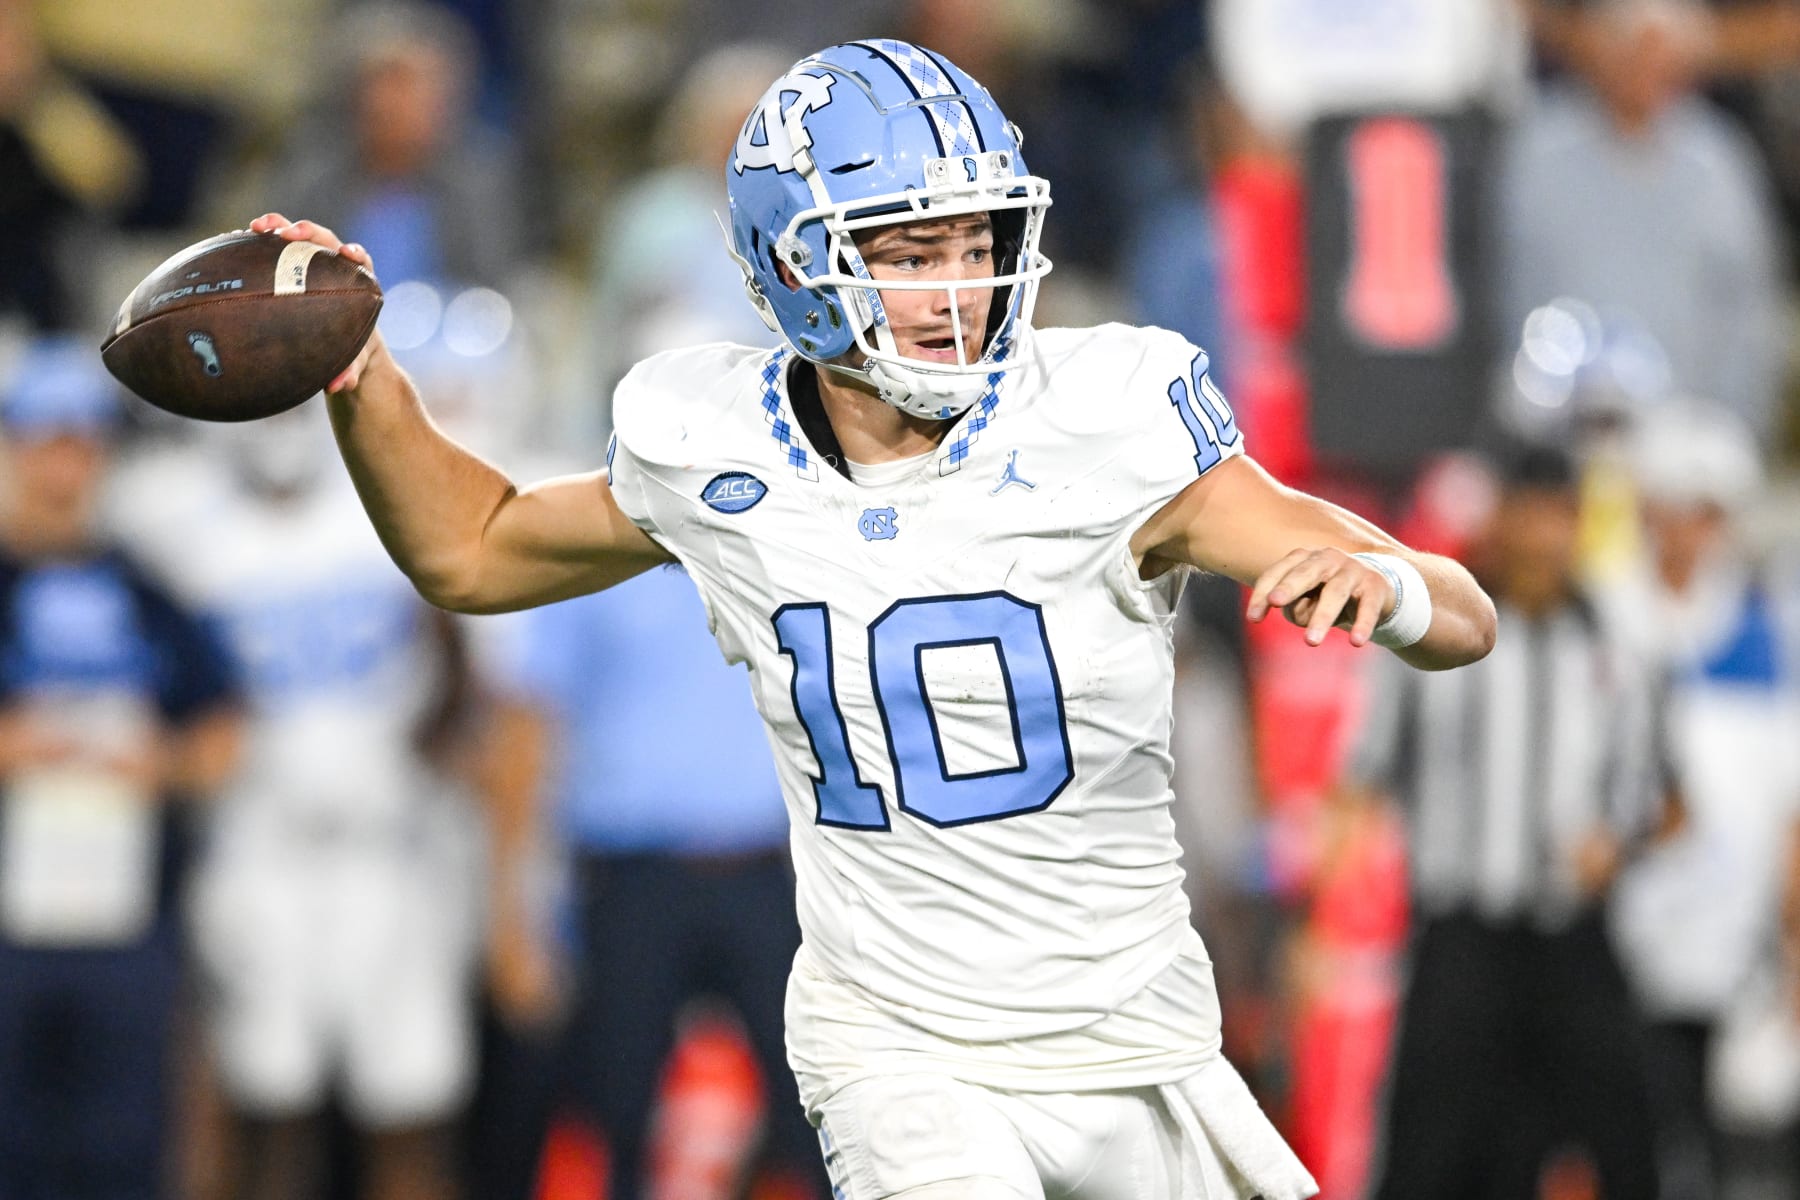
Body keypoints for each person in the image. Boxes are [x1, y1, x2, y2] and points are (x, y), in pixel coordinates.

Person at [243, 37, 1496, 1200]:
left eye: (977, 241)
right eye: (909, 254)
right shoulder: (715, 445)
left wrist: (1386, 591)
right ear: (796, 263)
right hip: (898, 1044)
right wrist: (365, 384)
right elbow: (471, 548)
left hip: (1135, 1035)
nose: (959, 287)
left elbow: (1464, 609)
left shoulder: (1105, 420)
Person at [1346, 446, 1664, 1200]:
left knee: (1625, 1145)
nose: (1542, 536)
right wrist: (1322, 923)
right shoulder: (1431, 635)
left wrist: (1616, 848)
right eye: (1530, 513)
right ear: (1502, 519)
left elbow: (1657, 795)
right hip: (1462, 937)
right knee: (1428, 1153)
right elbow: (1363, 779)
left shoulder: (1616, 643)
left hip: (1571, 937)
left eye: (1560, 516)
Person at [477, 564, 825, 1200]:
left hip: (768, 871)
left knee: (817, 1107)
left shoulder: (767, 540)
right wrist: (511, 918)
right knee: (618, 1109)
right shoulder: (585, 557)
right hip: (633, 880)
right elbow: (526, 733)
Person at [0, 336, 241, 1200]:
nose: (64, 462)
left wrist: (163, 763)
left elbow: (223, 728)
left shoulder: (148, 589)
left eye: (80, 440)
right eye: (44, 438)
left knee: (122, 1150)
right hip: (9, 926)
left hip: (126, 919)